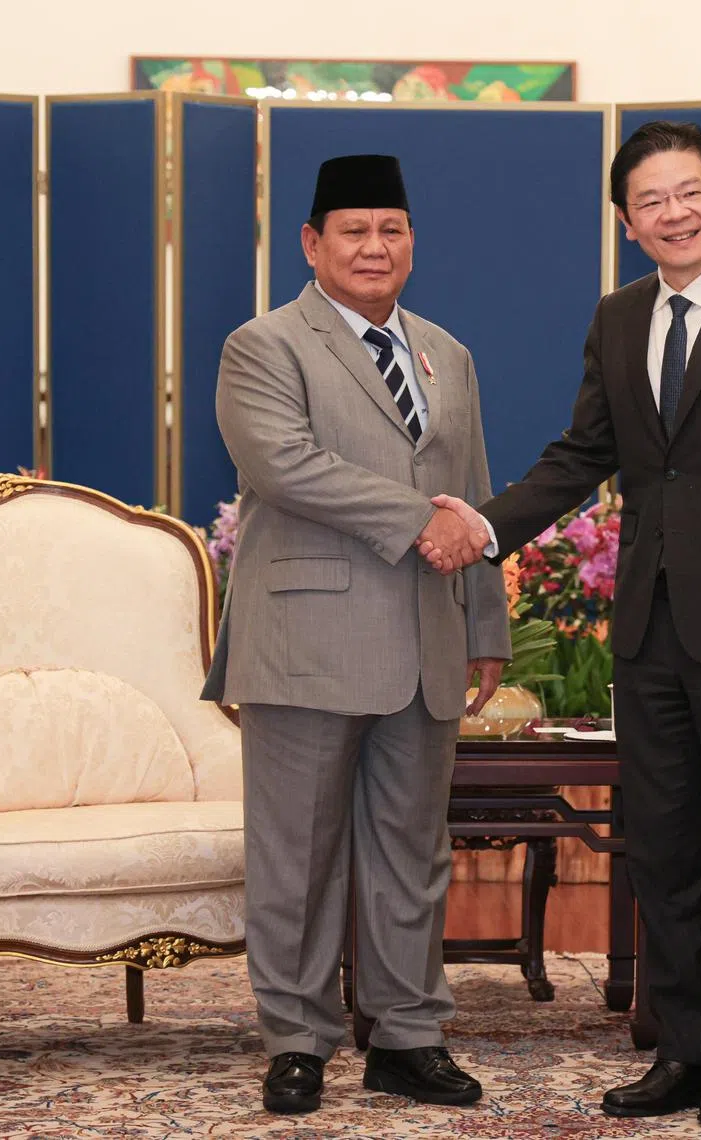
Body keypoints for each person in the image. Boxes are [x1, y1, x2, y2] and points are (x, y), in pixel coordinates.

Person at [424, 121, 701, 1128]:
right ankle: (688, 1051)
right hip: (649, 632)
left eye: (689, 191)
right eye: (652, 201)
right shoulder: (620, 318)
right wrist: (488, 525)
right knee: (661, 850)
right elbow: (585, 455)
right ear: (627, 222)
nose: (675, 213)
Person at [202, 153, 509, 1116]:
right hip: (307, 638)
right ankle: (297, 1041)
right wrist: (420, 520)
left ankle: (408, 1036)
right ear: (312, 243)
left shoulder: (446, 352)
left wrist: (485, 622)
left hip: (425, 639)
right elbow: (286, 465)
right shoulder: (264, 345)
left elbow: (476, 491)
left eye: (392, 230)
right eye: (353, 231)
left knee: (412, 848)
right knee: (296, 853)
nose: (375, 247)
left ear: (412, 242)